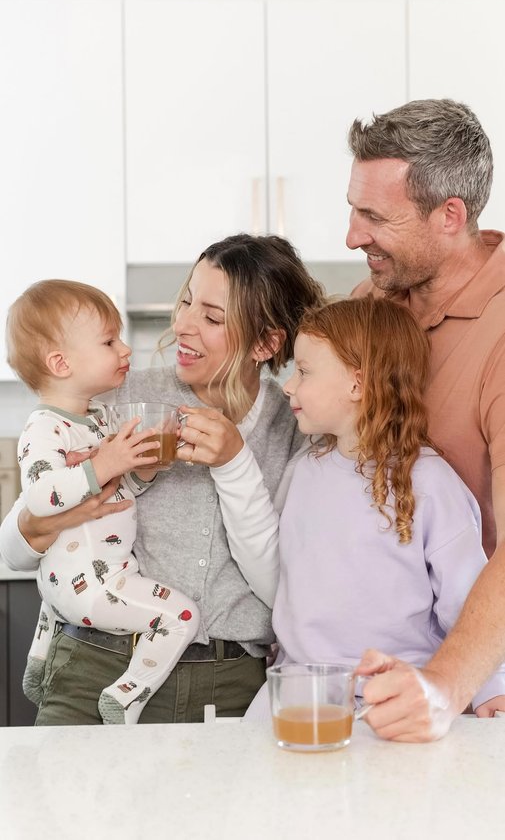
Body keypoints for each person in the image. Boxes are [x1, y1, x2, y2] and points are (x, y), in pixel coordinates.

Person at [0, 234, 324, 725]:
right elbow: (15, 547)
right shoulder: (116, 395)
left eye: (212, 317)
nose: (182, 325)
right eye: (187, 302)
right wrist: (35, 524)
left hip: (230, 686)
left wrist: (235, 462)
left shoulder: (297, 426)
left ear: (266, 343)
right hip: (94, 669)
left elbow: (288, 588)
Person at [244, 295, 505, 722]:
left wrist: (492, 687)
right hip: (297, 694)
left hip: (395, 699)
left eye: (304, 371)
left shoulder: (430, 483)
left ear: (357, 384)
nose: (288, 385)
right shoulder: (303, 471)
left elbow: (466, 597)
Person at [345, 98, 505, 740]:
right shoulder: (372, 302)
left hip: (480, 679)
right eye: (353, 209)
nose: (352, 237)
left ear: (450, 216)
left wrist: (445, 685)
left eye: (375, 217)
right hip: (380, 672)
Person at [6, 279, 200, 724]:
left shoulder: (96, 418)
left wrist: (141, 470)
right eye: (109, 341)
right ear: (61, 363)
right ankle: (125, 696)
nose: (125, 349)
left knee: (57, 598)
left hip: (63, 586)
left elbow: (115, 492)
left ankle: (38, 664)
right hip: (94, 586)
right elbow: (40, 496)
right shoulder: (44, 427)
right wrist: (103, 464)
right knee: (182, 616)